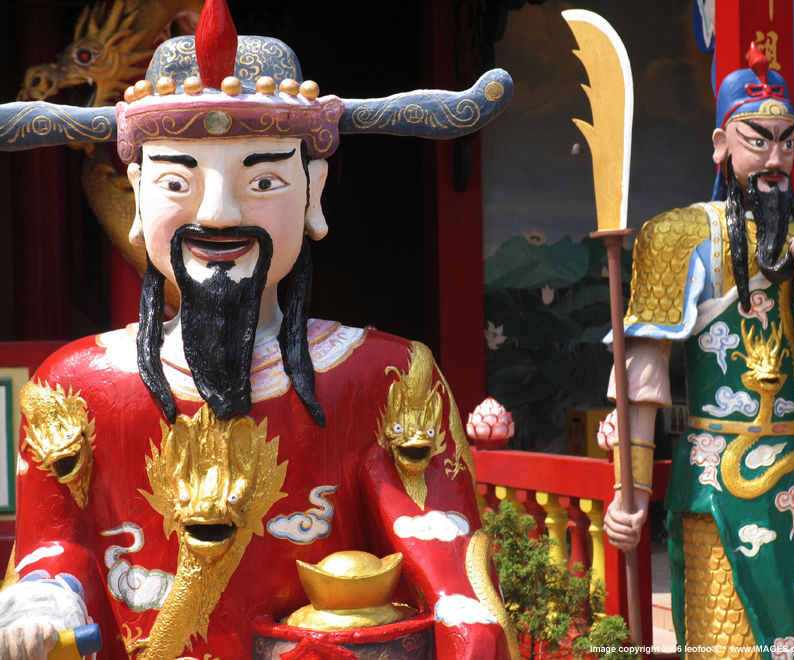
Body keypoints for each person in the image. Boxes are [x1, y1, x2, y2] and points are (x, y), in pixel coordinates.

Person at [0, 2, 516, 658]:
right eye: (177, 181)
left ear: (314, 193)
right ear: (137, 195)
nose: (218, 213)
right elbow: (52, 546)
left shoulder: (384, 379)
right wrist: (43, 599)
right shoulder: (74, 388)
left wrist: (462, 631)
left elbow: (447, 562)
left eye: (263, 179)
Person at [602, 44, 794, 659]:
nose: (777, 158)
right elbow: (643, 375)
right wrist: (632, 494)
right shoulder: (678, 235)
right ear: (721, 145)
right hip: (714, 489)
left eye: (788, 141)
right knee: (727, 641)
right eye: (758, 140)